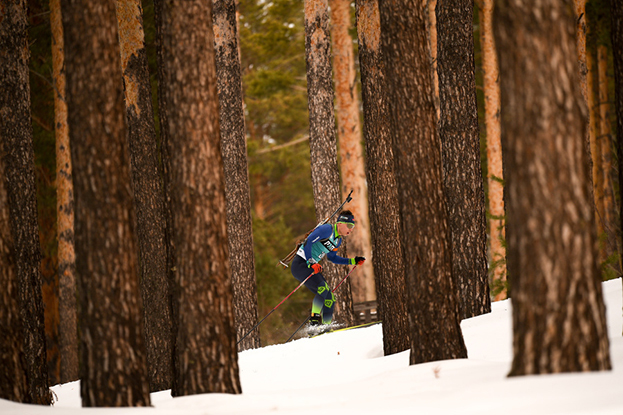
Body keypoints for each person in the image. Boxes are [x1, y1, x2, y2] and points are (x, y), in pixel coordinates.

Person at [291, 210, 366, 327]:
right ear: (340, 223)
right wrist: (311, 262)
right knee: (322, 289)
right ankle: (314, 323)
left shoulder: (338, 241)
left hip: (311, 265)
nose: (351, 229)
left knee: (330, 298)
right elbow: (308, 242)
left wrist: (353, 261)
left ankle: (326, 326)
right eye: (349, 226)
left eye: (353, 227)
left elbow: (332, 258)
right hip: (301, 264)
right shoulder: (327, 229)